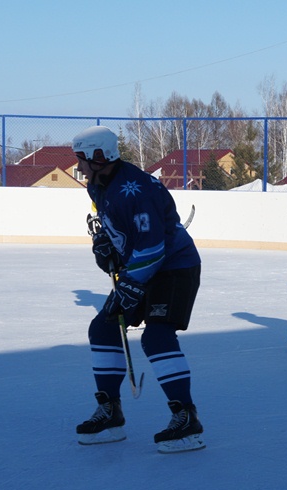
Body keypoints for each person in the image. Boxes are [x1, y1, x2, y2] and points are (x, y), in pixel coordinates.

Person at [72, 125, 205, 453]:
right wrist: (107, 244)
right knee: (103, 327)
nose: (79, 166)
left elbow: (152, 247)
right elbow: (124, 233)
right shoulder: (98, 184)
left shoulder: (135, 190)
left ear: (100, 156)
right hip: (142, 268)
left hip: (174, 267)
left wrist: (130, 285)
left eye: (82, 159)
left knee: (156, 336)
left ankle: (186, 417)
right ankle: (111, 412)